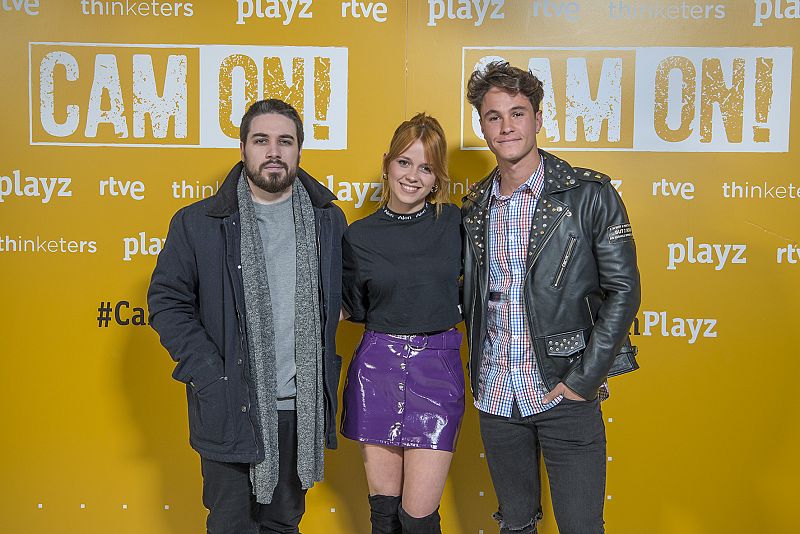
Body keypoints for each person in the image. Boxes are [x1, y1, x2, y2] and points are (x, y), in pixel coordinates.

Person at [147, 99, 346, 533]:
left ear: (298, 150)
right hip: (229, 403)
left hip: (300, 409)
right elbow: (167, 301)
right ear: (243, 148)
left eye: (285, 141)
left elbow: (346, 293)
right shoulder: (198, 222)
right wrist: (209, 375)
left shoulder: (327, 220)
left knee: (283, 524)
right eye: (261, 140)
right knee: (230, 526)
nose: (273, 151)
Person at [461, 61, 641, 534]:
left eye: (517, 113)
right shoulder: (476, 206)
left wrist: (584, 379)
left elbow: (624, 290)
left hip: (565, 388)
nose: (506, 126)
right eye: (493, 116)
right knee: (515, 523)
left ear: (538, 119)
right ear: (482, 125)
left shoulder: (588, 194)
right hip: (497, 396)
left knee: (581, 526)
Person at [340, 113, 464, 534]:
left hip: (438, 368)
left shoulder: (455, 224)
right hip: (377, 367)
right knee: (384, 515)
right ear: (387, 164)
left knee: (418, 518)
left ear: (437, 177)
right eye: (404, 163)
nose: (413, 176)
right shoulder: (358, 236)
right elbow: (353, 307)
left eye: (426, 167)